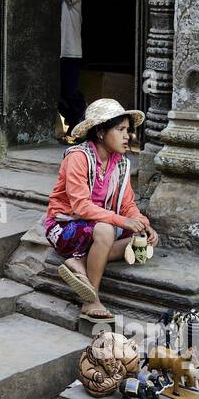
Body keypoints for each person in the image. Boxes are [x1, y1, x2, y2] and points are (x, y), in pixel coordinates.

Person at [43, 98, 157, 321]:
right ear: (101, 132)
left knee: (140, 240)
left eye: (128, 130)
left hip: (97, 226)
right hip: (64, 226)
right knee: (106, 230)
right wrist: (121, 221)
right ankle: (90, 300)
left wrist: (143, 223)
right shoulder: (78, 157)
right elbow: (80, 206)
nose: (128, 136)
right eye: (120, 129)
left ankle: (80, 263)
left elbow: (127, 205)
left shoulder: (121, 163)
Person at [58, 0, 85, 139]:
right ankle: (74, 122)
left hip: (71, 52)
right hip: (59, 52)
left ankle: (80, 119)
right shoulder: (61, 3)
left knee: (70, 90)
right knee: (60, 92)